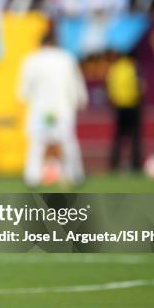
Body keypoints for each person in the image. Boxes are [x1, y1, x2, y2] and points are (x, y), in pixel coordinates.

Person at [18, 26, 88, 187]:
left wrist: (25, 98)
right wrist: (81, 99)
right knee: (68, 141)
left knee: (37, 143)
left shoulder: (32, 60)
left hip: (40, 108)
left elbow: (24, 90)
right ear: (55, 43)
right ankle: (74, 175)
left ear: (41, 44)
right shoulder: (66, 58)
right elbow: (76, 83)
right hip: (62, 108)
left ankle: (33, 177)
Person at [106, 52, 142, 172]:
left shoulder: (114, 69)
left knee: (118, 137)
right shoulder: (133, 67)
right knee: (135, 137)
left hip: (119, 107)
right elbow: (141, 86)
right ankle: (135, 164)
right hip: (133, 106)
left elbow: (109, 88)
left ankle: (114, 164)